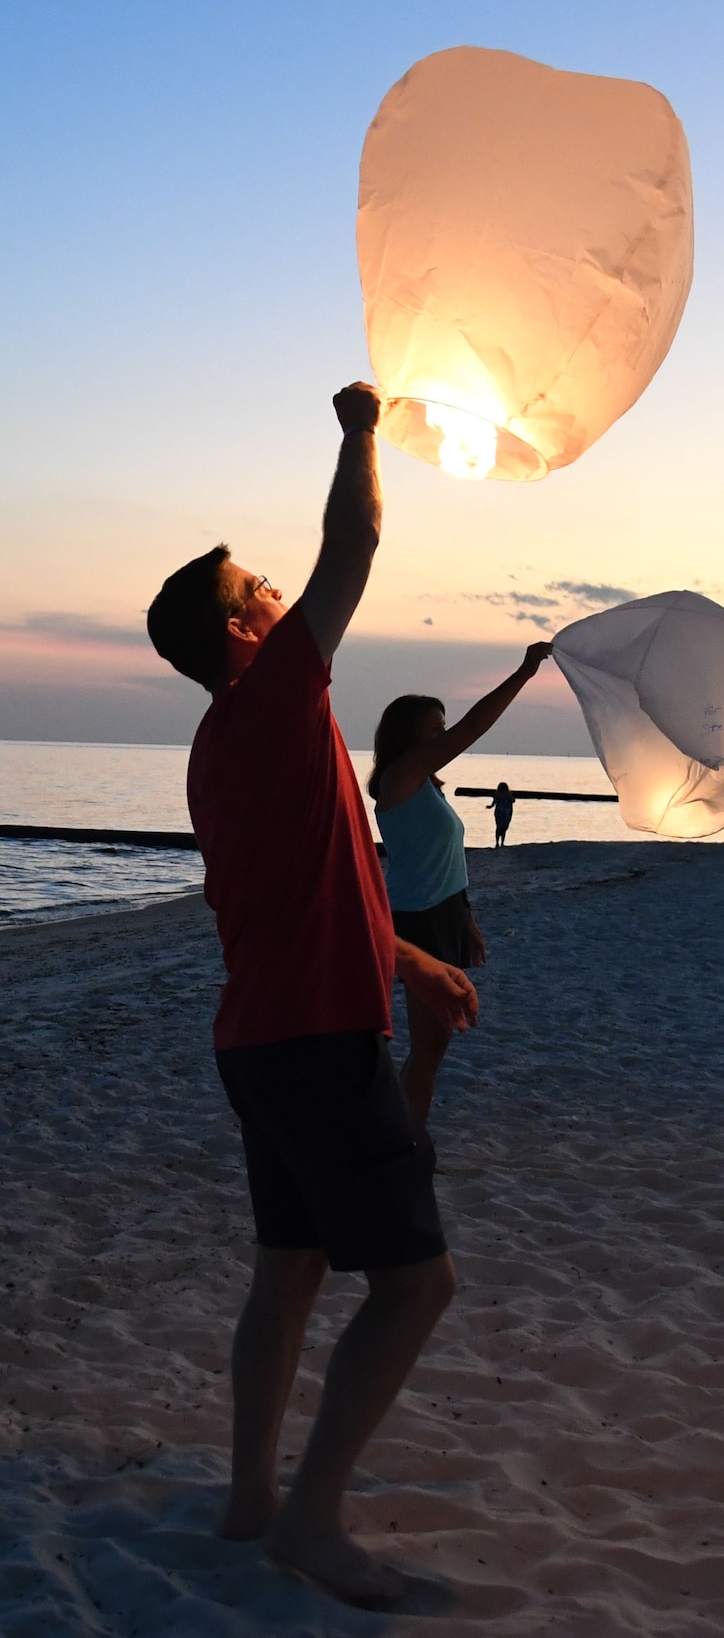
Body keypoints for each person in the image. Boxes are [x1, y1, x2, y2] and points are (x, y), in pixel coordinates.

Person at [146, 382, 477, 1608]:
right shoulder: (275, 694)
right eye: (261, 587)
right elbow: (359, 542)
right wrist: (357, 432)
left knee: (287, 1271)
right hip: (318, 1046)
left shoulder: (221, 745)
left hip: (262, 1041)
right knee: (415, 1282)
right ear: (243, 629)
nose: (283, 591)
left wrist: (414, 954)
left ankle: (248, 1498)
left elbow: (313, 894)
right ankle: (312, 1518)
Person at [368, 656, 549, 1124]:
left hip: (443, 913)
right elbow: (472, 729)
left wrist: (466, 918)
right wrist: (524, 672)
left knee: (433, 1045)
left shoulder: (426, 788)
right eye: (434, 730)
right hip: (418, 918)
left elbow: (445, 860)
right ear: (408, 735)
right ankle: (407, 1142)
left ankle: (404, 1135)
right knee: (432, 1045)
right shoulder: (399, 779)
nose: (444, 737)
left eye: (442, 728)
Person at [492, 781, 514, 847]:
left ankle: (498, 842)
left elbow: (493, 803)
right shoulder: (508, 795)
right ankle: (501, 843)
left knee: (499, 828)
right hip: (505, 814)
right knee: (503, 828)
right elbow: (512, 802)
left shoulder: (497, 794)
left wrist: (489, 806)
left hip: (499, 813)